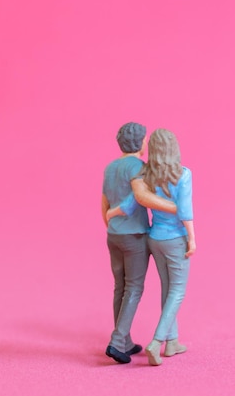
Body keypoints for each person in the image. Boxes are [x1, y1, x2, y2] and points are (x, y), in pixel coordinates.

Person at [108, 128, 196, 366]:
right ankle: (156, 342)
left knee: (165, 289)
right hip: (174, 238)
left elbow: (132, 198)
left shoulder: (146, 173)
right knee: (176, 291)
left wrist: (113, 213)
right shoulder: (183, 174)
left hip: (153, 238)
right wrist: (192, 237)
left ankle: (172, 341)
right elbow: (184, 210)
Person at [101, 123, 176, 364]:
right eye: (144, 139)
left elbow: (104, 203)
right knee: (133, 288)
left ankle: (125, 340)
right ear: (140, 142)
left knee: (119, 287)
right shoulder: (138, 167)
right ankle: (117, 341)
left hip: (114, 235)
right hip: (134, 235)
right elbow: (140, 197)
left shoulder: (110, 167)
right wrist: (176, 208)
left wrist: (111, 226)